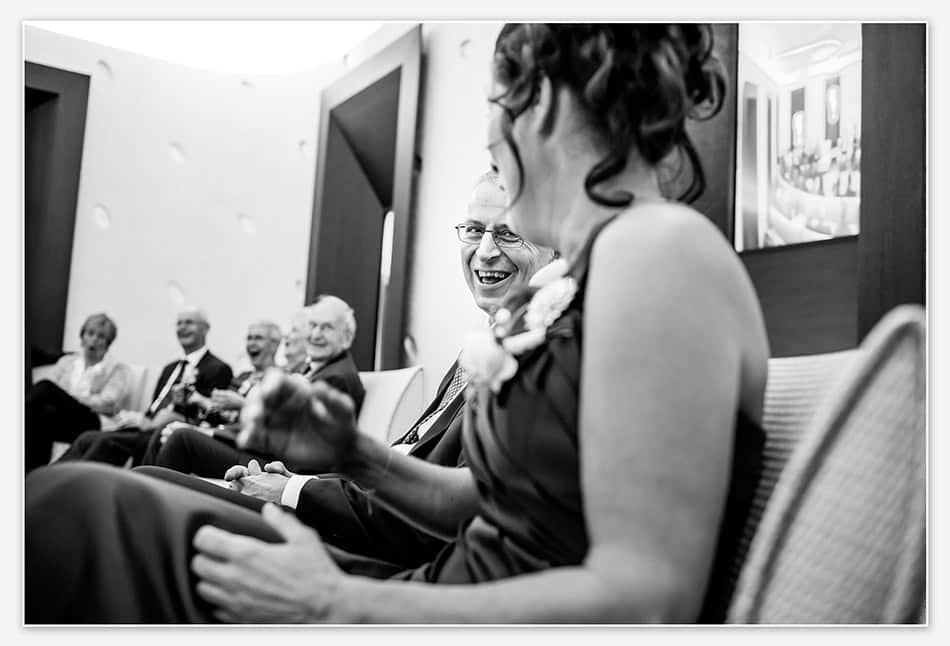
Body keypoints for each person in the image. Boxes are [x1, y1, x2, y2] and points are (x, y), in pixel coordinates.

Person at [26, 24, 770, 624]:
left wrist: (338, 602)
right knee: (110, 496)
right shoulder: (596, 270)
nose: (491, 149)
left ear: (537, 102)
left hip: (426, 609)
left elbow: (649, 601)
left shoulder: (661, 254)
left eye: (494, 114)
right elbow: (482, 504)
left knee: (81, 509)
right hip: (431, 585)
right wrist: (353, 452)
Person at [134, 172, 555, 576]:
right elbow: (406, 456)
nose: (484, 250)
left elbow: (443, 520)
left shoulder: (541, 359)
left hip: (375, 552)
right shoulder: (476, 351)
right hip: (349, 509)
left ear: (554, 247)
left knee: (135, 494)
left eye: (507, 233)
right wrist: (302, 480)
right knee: (142, 486)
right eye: (473, 230)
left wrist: (297, 492)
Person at [141, 296, 366, 477]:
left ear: (346, 337)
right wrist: (211, 431)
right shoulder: (316, 370)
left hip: (277, 468)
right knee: (174, 432)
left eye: (327, 328)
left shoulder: (337, 378)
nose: (316, 335)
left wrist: (211, 432)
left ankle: (145, 509)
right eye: (314, 326)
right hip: (262, 454)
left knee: (182, 438)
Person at [57, 306, 233, 467]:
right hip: (145, 427)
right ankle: (46, 482)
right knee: (87, 437)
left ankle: (74, 490)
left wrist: (171, 418)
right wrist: (136, 418)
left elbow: (211, 418)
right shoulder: (170, 368)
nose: (182, 328)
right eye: (179, 323)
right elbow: (152, 410)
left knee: (106, 443)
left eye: (189, 323)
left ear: (206, 328)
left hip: (168, 433)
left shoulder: (218, 368)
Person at [135, 320, 284, 466]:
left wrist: (241, 405)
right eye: (249, 338)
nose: (251, 343)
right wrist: (196, 399)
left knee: (180, 435)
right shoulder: (242, 377)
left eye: (258, 338)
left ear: (274, 344)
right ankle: (145, 483)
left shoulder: (281, 380)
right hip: (218, 432)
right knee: (166, 428)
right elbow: (221, 414)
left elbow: (274, 423)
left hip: (243, 447)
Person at [25, 313, 130, 472]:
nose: (94, 339)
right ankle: (32, 476)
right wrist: (64, 399)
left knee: (45, 387)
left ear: (108, 343)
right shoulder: (66, 362)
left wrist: (68, 399)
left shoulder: (117, 370)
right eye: (90, 333)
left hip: (91, 421)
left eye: (101, 336)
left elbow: (108, 403)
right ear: (82, 336)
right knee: (43, 415)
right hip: (64, 419)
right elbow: (49, 393)